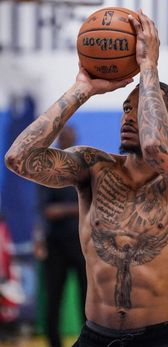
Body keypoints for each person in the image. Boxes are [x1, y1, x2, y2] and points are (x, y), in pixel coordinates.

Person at [5, 9, 168, 347]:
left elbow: (157, 150)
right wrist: (81, 88)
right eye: (126, 109)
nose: (130, 116)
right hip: (94, 337)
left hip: (160, 339)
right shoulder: (93, 166)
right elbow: (19, 159)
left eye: (144, 108)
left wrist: (148, 67)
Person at [34, 126, 87, 347]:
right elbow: (47, 211)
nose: (69, 141)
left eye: (72, 138)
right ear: (59, 141)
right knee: (54, 299)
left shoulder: (83, 167)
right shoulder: (48, 168)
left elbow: (92, 206)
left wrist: (64, 210)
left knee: (88, 300)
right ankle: (54, 343)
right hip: (55, 245)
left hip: (81, 243)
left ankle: (89, 342)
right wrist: (76, 208)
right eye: (65, 138)